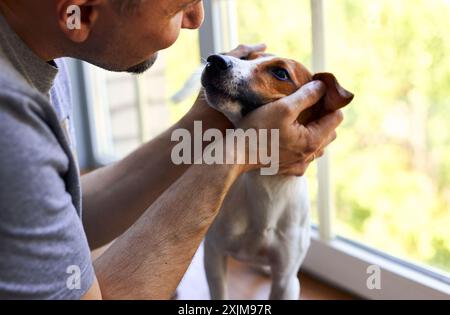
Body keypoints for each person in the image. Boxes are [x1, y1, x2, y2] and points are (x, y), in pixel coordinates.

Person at [0, 0, 343, 299]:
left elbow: (60, 213)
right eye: (181, 6)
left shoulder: (35, 56)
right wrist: (237, 155)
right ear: (82, 11)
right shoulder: (11, 124)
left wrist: (203, 129)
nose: (197, 18)